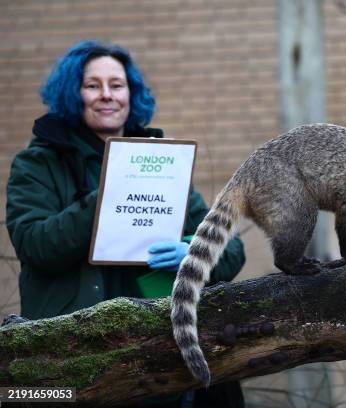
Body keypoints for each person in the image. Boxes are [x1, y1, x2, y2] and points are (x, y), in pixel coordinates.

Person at [5, 40, 246, 408]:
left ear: (131, 94)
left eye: (117, 85)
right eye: (92, 85)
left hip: (158, 361)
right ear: (73, 93)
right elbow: (35, 244)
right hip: (70, 361)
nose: (107, 95)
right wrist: (107, 192)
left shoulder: (161, 162)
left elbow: (231, 250)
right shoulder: (38, 164)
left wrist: (193, 252)